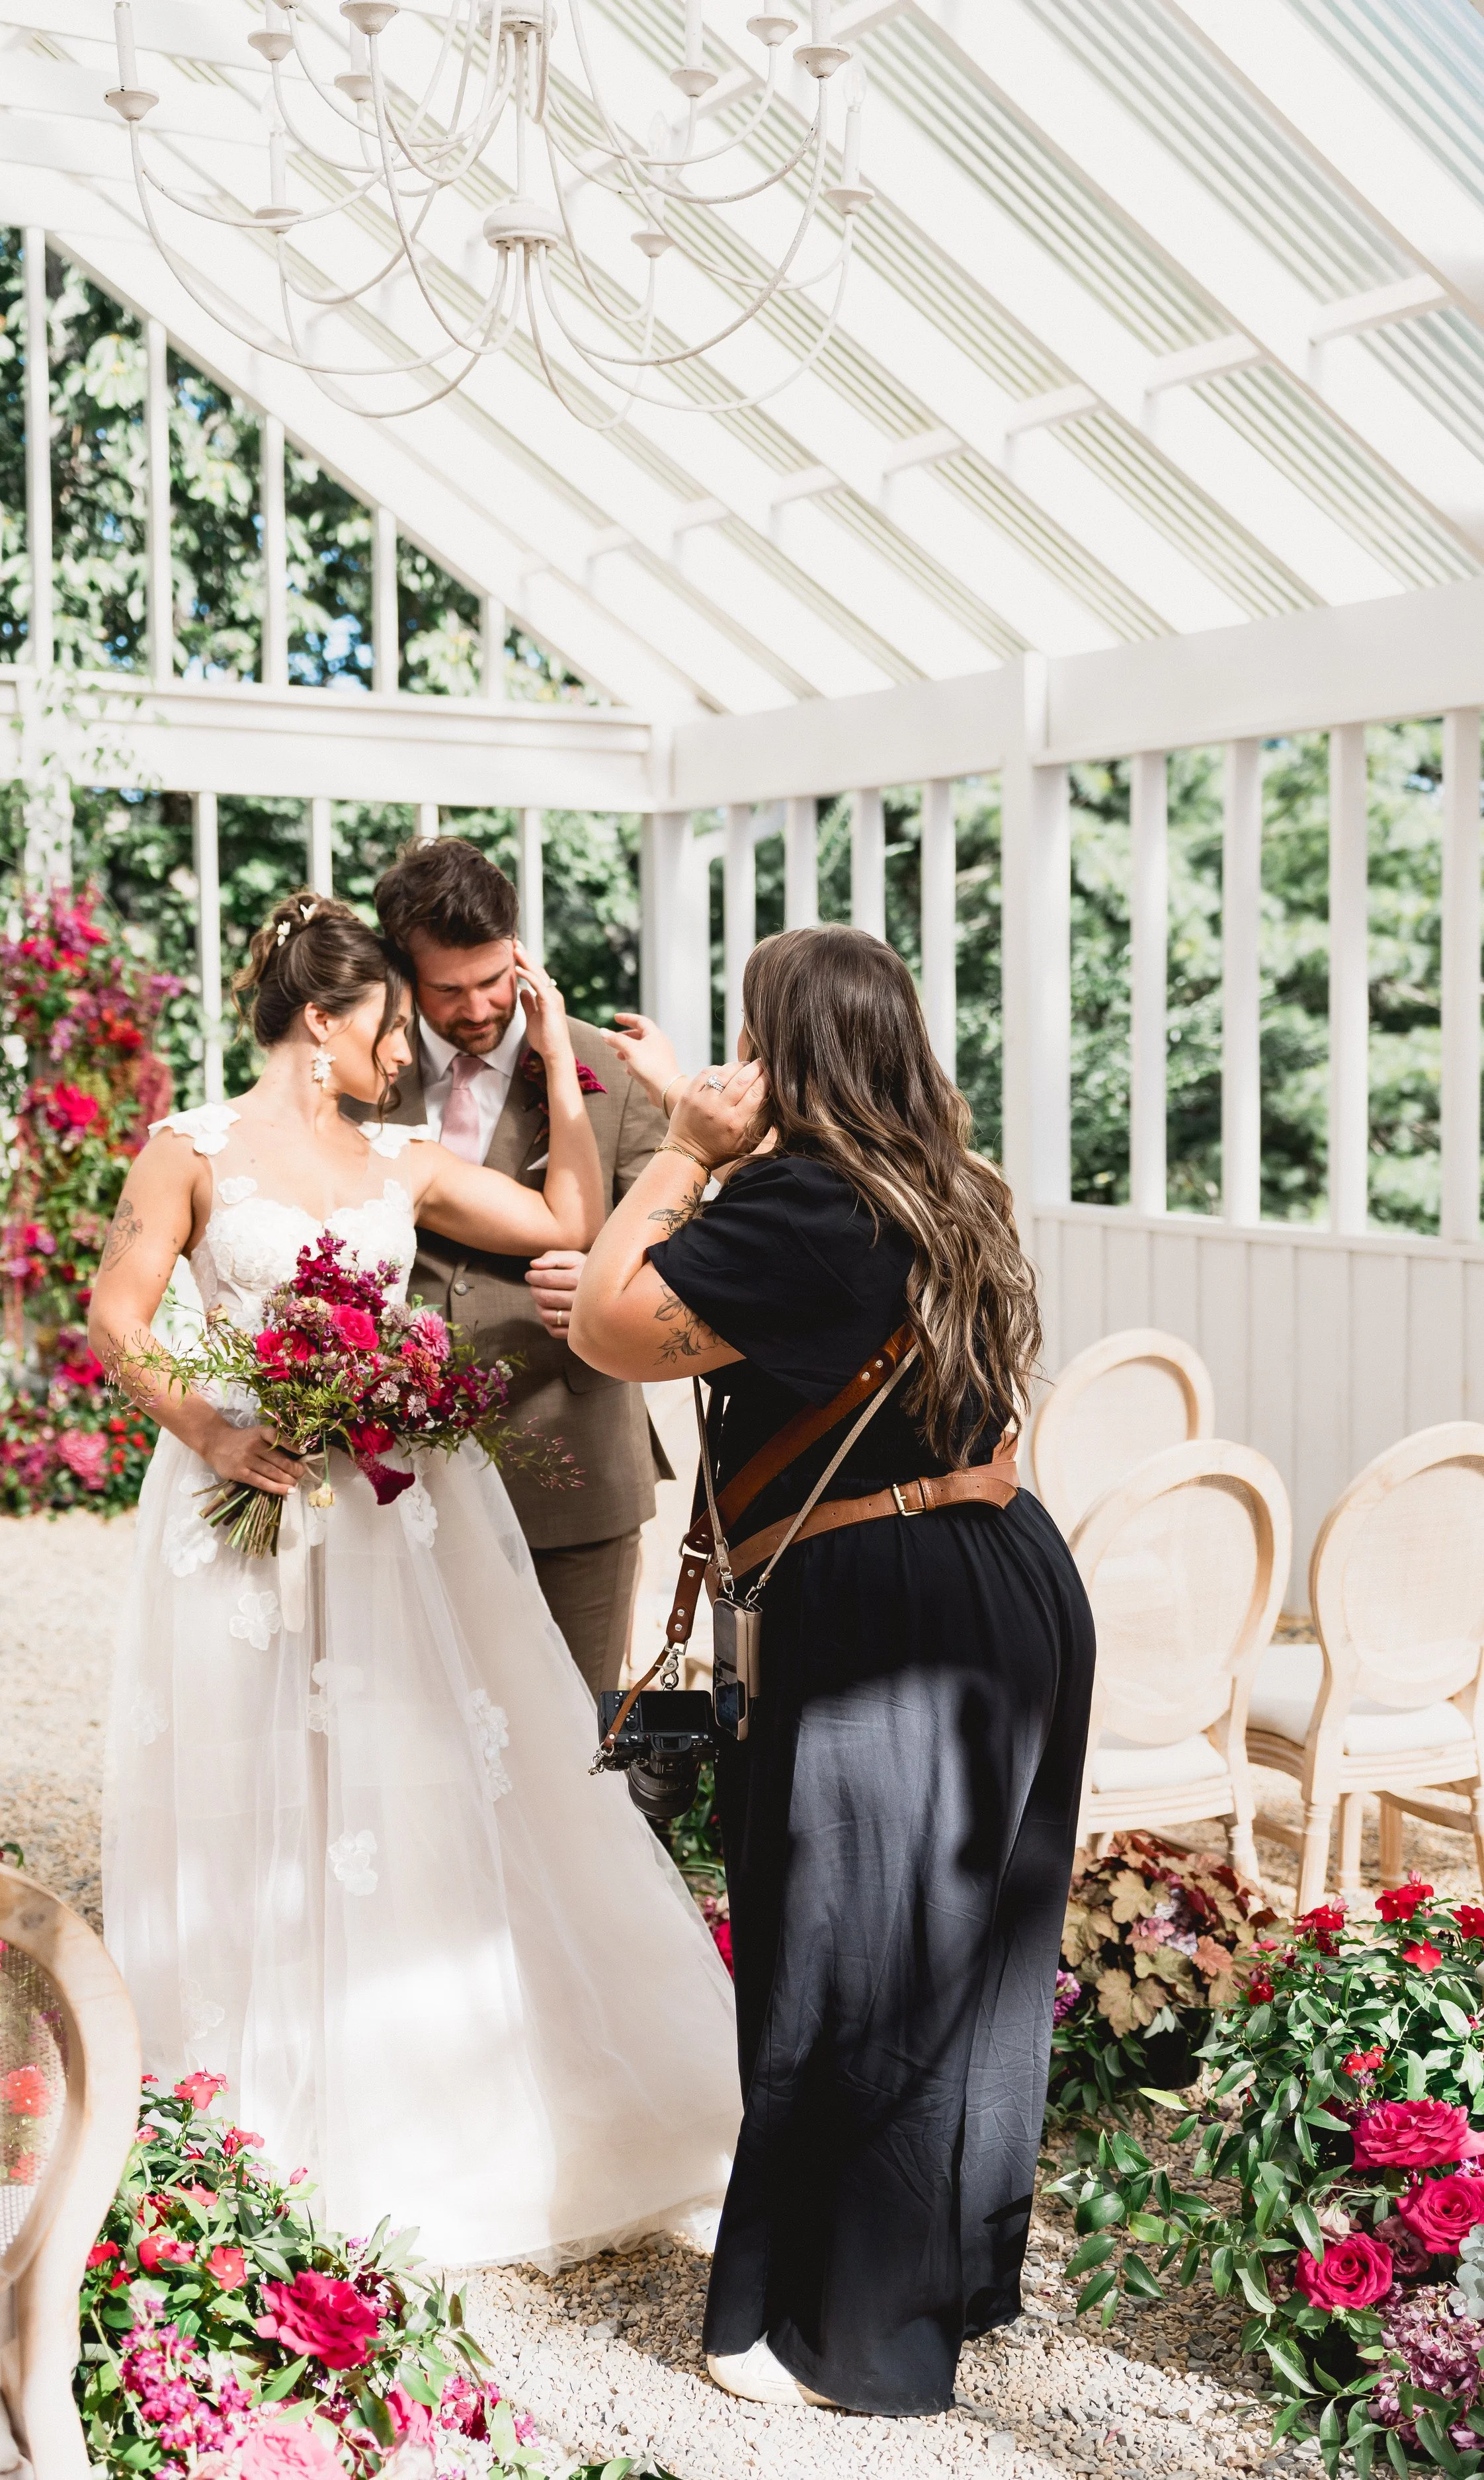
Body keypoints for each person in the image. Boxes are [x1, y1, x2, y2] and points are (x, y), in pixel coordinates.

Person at [91, 890, 740, 2268]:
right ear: (320, 1023)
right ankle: (258, 2087)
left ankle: (426, 2065)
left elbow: (569, 1209)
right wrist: (212, 1422)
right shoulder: (186, 1151)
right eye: (391, 1028)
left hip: (397, 1517)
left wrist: (561, 1046)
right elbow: (117, 1316)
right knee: (253, 1771)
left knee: (417, 1771)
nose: (410, 1057)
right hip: (242, 1500)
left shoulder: (404, 1158)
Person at [572, 924, 1096, 2417]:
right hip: (1002, 1577)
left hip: (892, 1615)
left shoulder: (802, 1207)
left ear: (789, 1057)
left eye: (750, 1039)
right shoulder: (941, 1184)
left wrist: (676, 1148)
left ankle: (833, 2335)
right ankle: (931, 2276)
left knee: (843, 1961)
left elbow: (614, 1326)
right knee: (965, 1959)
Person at [368, 837, 673, 1700]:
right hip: (405, 1469)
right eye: (449, 990)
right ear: (403, 976)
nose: (479, 1007)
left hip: (575, 1459)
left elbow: (680, 1237)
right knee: (424, 1736)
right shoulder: (362, 1075)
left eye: (495, 979)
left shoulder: (607, 1066)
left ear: (520, 954)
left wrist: (610, 1276)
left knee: (572, 1734)